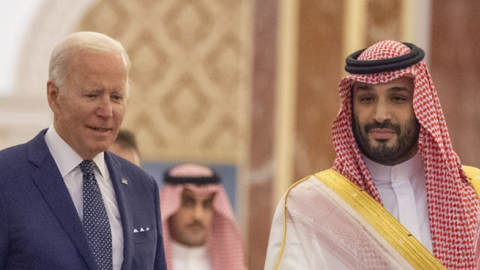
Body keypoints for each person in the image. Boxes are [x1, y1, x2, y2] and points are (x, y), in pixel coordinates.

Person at [264, 40, 480, 270]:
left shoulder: (473, 195)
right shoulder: (308, 206)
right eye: (367, 99)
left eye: (398, 98)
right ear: (351, 107)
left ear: (421, 106)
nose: (380, 114)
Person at [0, 31, 167, 270]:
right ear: (54, 96)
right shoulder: (6, 178)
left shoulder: (143, 186)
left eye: (117, 97)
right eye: (92, 95)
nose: (107, 111)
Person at [160, 163, 246, 270]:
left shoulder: (231, 266)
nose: (198, 216)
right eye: (188, 203)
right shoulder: (146, 265)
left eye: (207, 205)